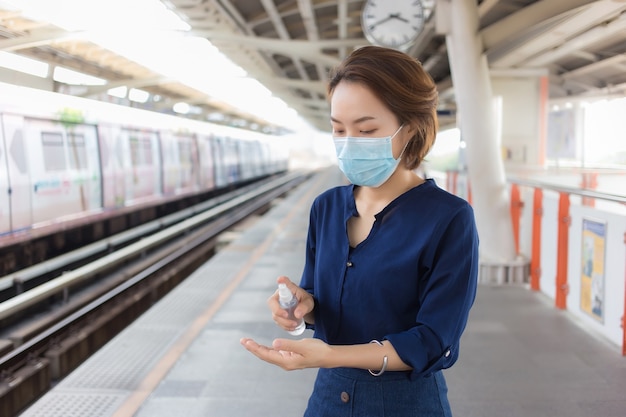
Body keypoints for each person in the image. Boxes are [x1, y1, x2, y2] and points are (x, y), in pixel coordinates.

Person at [241, 45, 479, 417]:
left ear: (410, 128)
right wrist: (301, 309)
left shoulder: (449, 218)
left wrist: (332, 355)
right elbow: (323, 303)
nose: (349, 142)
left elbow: (435, 341)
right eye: (338, 129)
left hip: (406, 404)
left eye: (366, 129)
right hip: (327, 399)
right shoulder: (326, 207)